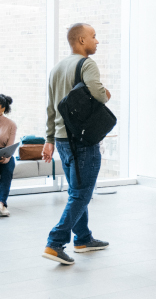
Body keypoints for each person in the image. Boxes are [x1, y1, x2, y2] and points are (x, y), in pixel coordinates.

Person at [41, 23, 112, 265]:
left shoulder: (57, 68)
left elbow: (50, 108)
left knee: (77, 190)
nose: (97, 41)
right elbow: (100, 94)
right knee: (81, 194)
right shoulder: (87, 64)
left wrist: (49, 140)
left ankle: (82, 238)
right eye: (94, 36)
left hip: (62, 139)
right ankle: (55, 243)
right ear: (81, 41)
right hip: (82, 139)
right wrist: (106, 94)